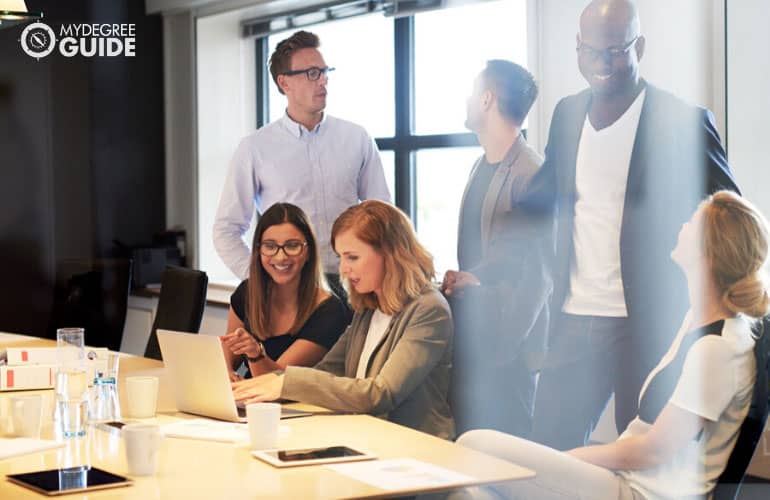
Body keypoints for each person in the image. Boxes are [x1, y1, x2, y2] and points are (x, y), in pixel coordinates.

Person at [452, 190, 770, 499]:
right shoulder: (697, 321)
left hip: (638, 492)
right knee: (476, 490)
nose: (683, 226)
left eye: (692, 223)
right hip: (624, 481)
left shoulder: (718, 348)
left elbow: (653, 450)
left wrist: (569, 460)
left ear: (708, 254)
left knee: (474, 446)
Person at [529, 0, 740, 450]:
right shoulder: (566, 114)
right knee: (547, 448)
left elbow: (731, 216)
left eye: (616, 51)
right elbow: (543, 202)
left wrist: (723, 308)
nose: (603, 64)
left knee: (644, 455)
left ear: (639, 46)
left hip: (648, 324)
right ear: (578, 50)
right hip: (574, 316)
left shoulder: (681, 120)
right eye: (592, 51)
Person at [232, 200, 455, 439]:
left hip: (415, 448)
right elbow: (327, 372)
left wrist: (284, 383)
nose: (343, 269)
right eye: (341, 258)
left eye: (352, 257)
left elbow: (381, 393)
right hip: (365, 437)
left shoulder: (428, 309)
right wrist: (254, 387)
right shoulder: (369, 307)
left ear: (389, 254)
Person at [212, 30, 391, 297]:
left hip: (353, 287)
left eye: (324, 71)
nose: (323, 82)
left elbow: (383, 217)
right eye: (312, 73)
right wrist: (262, 280)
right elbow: (226, 229)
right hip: (290, 290)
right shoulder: (254, 148)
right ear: (284, 83)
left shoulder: (357, 138)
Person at [441, 60, 552, 437]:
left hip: (507, 346)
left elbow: (539, 276)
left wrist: (504, 349)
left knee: (508, 457)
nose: (468, 99)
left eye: (474, 91)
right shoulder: (480, 165)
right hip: (474, 331)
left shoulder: (532, 172)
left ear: (487, 99)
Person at [221, 203, 351, 379]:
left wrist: (256, 353)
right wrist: (226, 372)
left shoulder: (330, 311)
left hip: (293, 402)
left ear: (308, 252)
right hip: (249, 400)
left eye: (292, 246)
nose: (280, 256)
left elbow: (277, 382)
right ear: (259, 250)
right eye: (270, 246)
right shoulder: (246, 292)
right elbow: (229, 354)